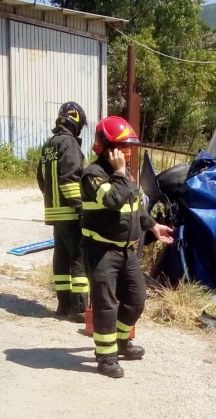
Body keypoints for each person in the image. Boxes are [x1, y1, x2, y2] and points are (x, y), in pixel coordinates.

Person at [80, 116, 174, 378]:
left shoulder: (124, 176)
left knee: (136, 299)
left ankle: (121, 343)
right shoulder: (93, 175)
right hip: (101, 251)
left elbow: (134, 207)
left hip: (125, 251)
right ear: (108, 148)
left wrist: (153, 226)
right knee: (106, 305)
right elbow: (112, 199)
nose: (128, 153)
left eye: (130, 148)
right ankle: (106, 356)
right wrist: (121, 174)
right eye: (124, 148)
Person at [36, 102, 89, 322]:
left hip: (55, 213)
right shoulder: (69, 144)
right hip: (70, 211)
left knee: (61, 257)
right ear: (76, 122)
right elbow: (70, 179)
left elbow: (41, 179)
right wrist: (81, 208)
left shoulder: (49, 145)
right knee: (78, 257)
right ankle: (77, 309)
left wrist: (51, 202)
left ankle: (62, 304)